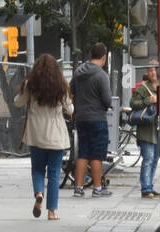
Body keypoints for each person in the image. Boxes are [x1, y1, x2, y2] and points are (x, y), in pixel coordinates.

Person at [14, 54, 73, 220]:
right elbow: (70, 110)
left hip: (36, 134)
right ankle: (52, 211)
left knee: (38, 169)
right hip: (56, 134)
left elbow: (17, 102)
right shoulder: (61, 85)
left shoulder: (30, 84)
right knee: (54, 173)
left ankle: (39, 193)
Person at [70, 43, 113, 199]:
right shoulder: (102, 75)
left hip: (81, 118)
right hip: (97, 119)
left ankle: (79, 188)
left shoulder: (78, 72)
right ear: (103, 57)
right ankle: (97, 188)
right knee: (96, 154)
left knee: (83, 152)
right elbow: (107, 100)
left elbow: (71, 91)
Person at [130, 67, 160, 199]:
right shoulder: (142, 88)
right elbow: (132, 103)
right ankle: (146, 188)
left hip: (159, 129)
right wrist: (149, 100)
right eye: (151, 71)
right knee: (148, 159)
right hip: (147, 130)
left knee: (154, 160)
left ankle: (150, 186)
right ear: (147, 73)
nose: (153, 73)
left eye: (155, 70)